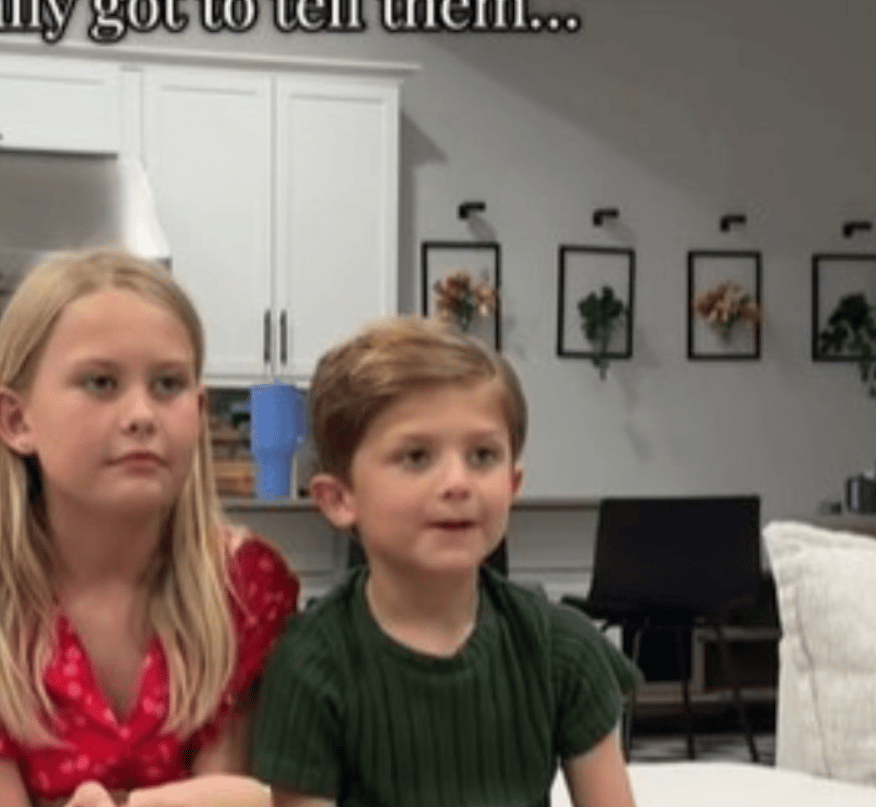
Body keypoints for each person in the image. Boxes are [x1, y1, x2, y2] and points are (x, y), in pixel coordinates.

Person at [0, 248, 300, 807]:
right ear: (16, 420)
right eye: (101, 383)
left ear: (199, 410)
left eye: (168, 385)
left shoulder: (244, 587)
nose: (141, 414)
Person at [251, 317, 638, 807]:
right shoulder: (311, 666)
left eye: (482, 456)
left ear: (512, 486)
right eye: (416, 456)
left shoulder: (562, 650)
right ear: (339, 498)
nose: (459, 482)